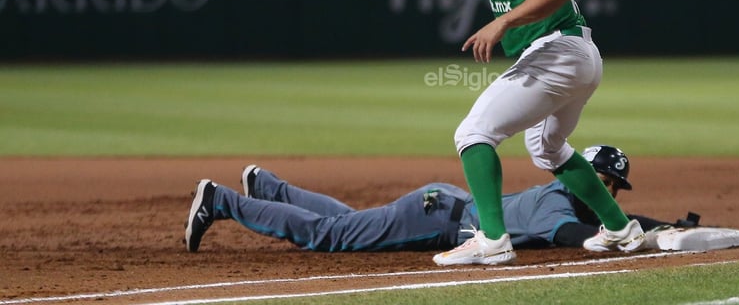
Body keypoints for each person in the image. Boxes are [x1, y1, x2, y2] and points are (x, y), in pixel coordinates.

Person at [385, 0, 646, 265]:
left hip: (557, 50)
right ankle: (620, 229)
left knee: (473, 133)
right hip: (574, 54)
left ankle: (492, 239)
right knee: (547, 147)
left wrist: (502, 23)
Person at [184, 145, 689, 255]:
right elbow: (587, 236)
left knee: (352, 223)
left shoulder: (569, 195)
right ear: (592, 180)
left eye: (616, 193)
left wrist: (664, 224)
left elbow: (615, 220)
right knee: (330, 237)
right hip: (439, 216)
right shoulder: (557, 208)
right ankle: (222, 200)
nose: (612, 198)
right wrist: (641, 240)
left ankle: (269, 189)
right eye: (609, 187)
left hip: (443, 204)